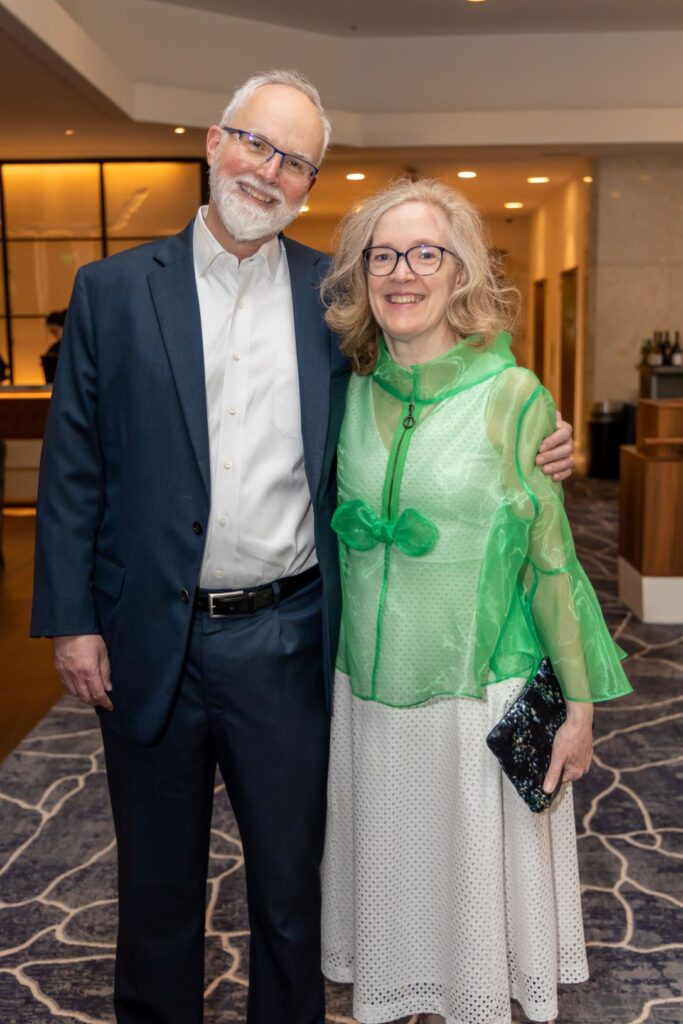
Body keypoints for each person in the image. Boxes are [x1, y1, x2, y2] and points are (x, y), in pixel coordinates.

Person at [30, 70, 574, 1024]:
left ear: (310, 186)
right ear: (213, 142)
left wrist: (534, 426)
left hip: (285, 641)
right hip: (145, 635)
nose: (268, 171)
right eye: (255, 145)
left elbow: (432, 373)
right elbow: (74, 471)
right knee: (155, 893)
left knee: (291, 892)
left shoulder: (331, 300)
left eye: (294, 161)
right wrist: (72, 621)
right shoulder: (110, 292)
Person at [319, 179, 632, 1024]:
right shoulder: (343, 392)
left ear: (462, 274)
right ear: (361, 275)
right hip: (368, 693)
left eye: (427, 253)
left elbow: (553, 565)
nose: (402, 272)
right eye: (382, 256)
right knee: (397, 874)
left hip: (476, 683)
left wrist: (579, 709)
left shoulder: (513, 396)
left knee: (468, 899)